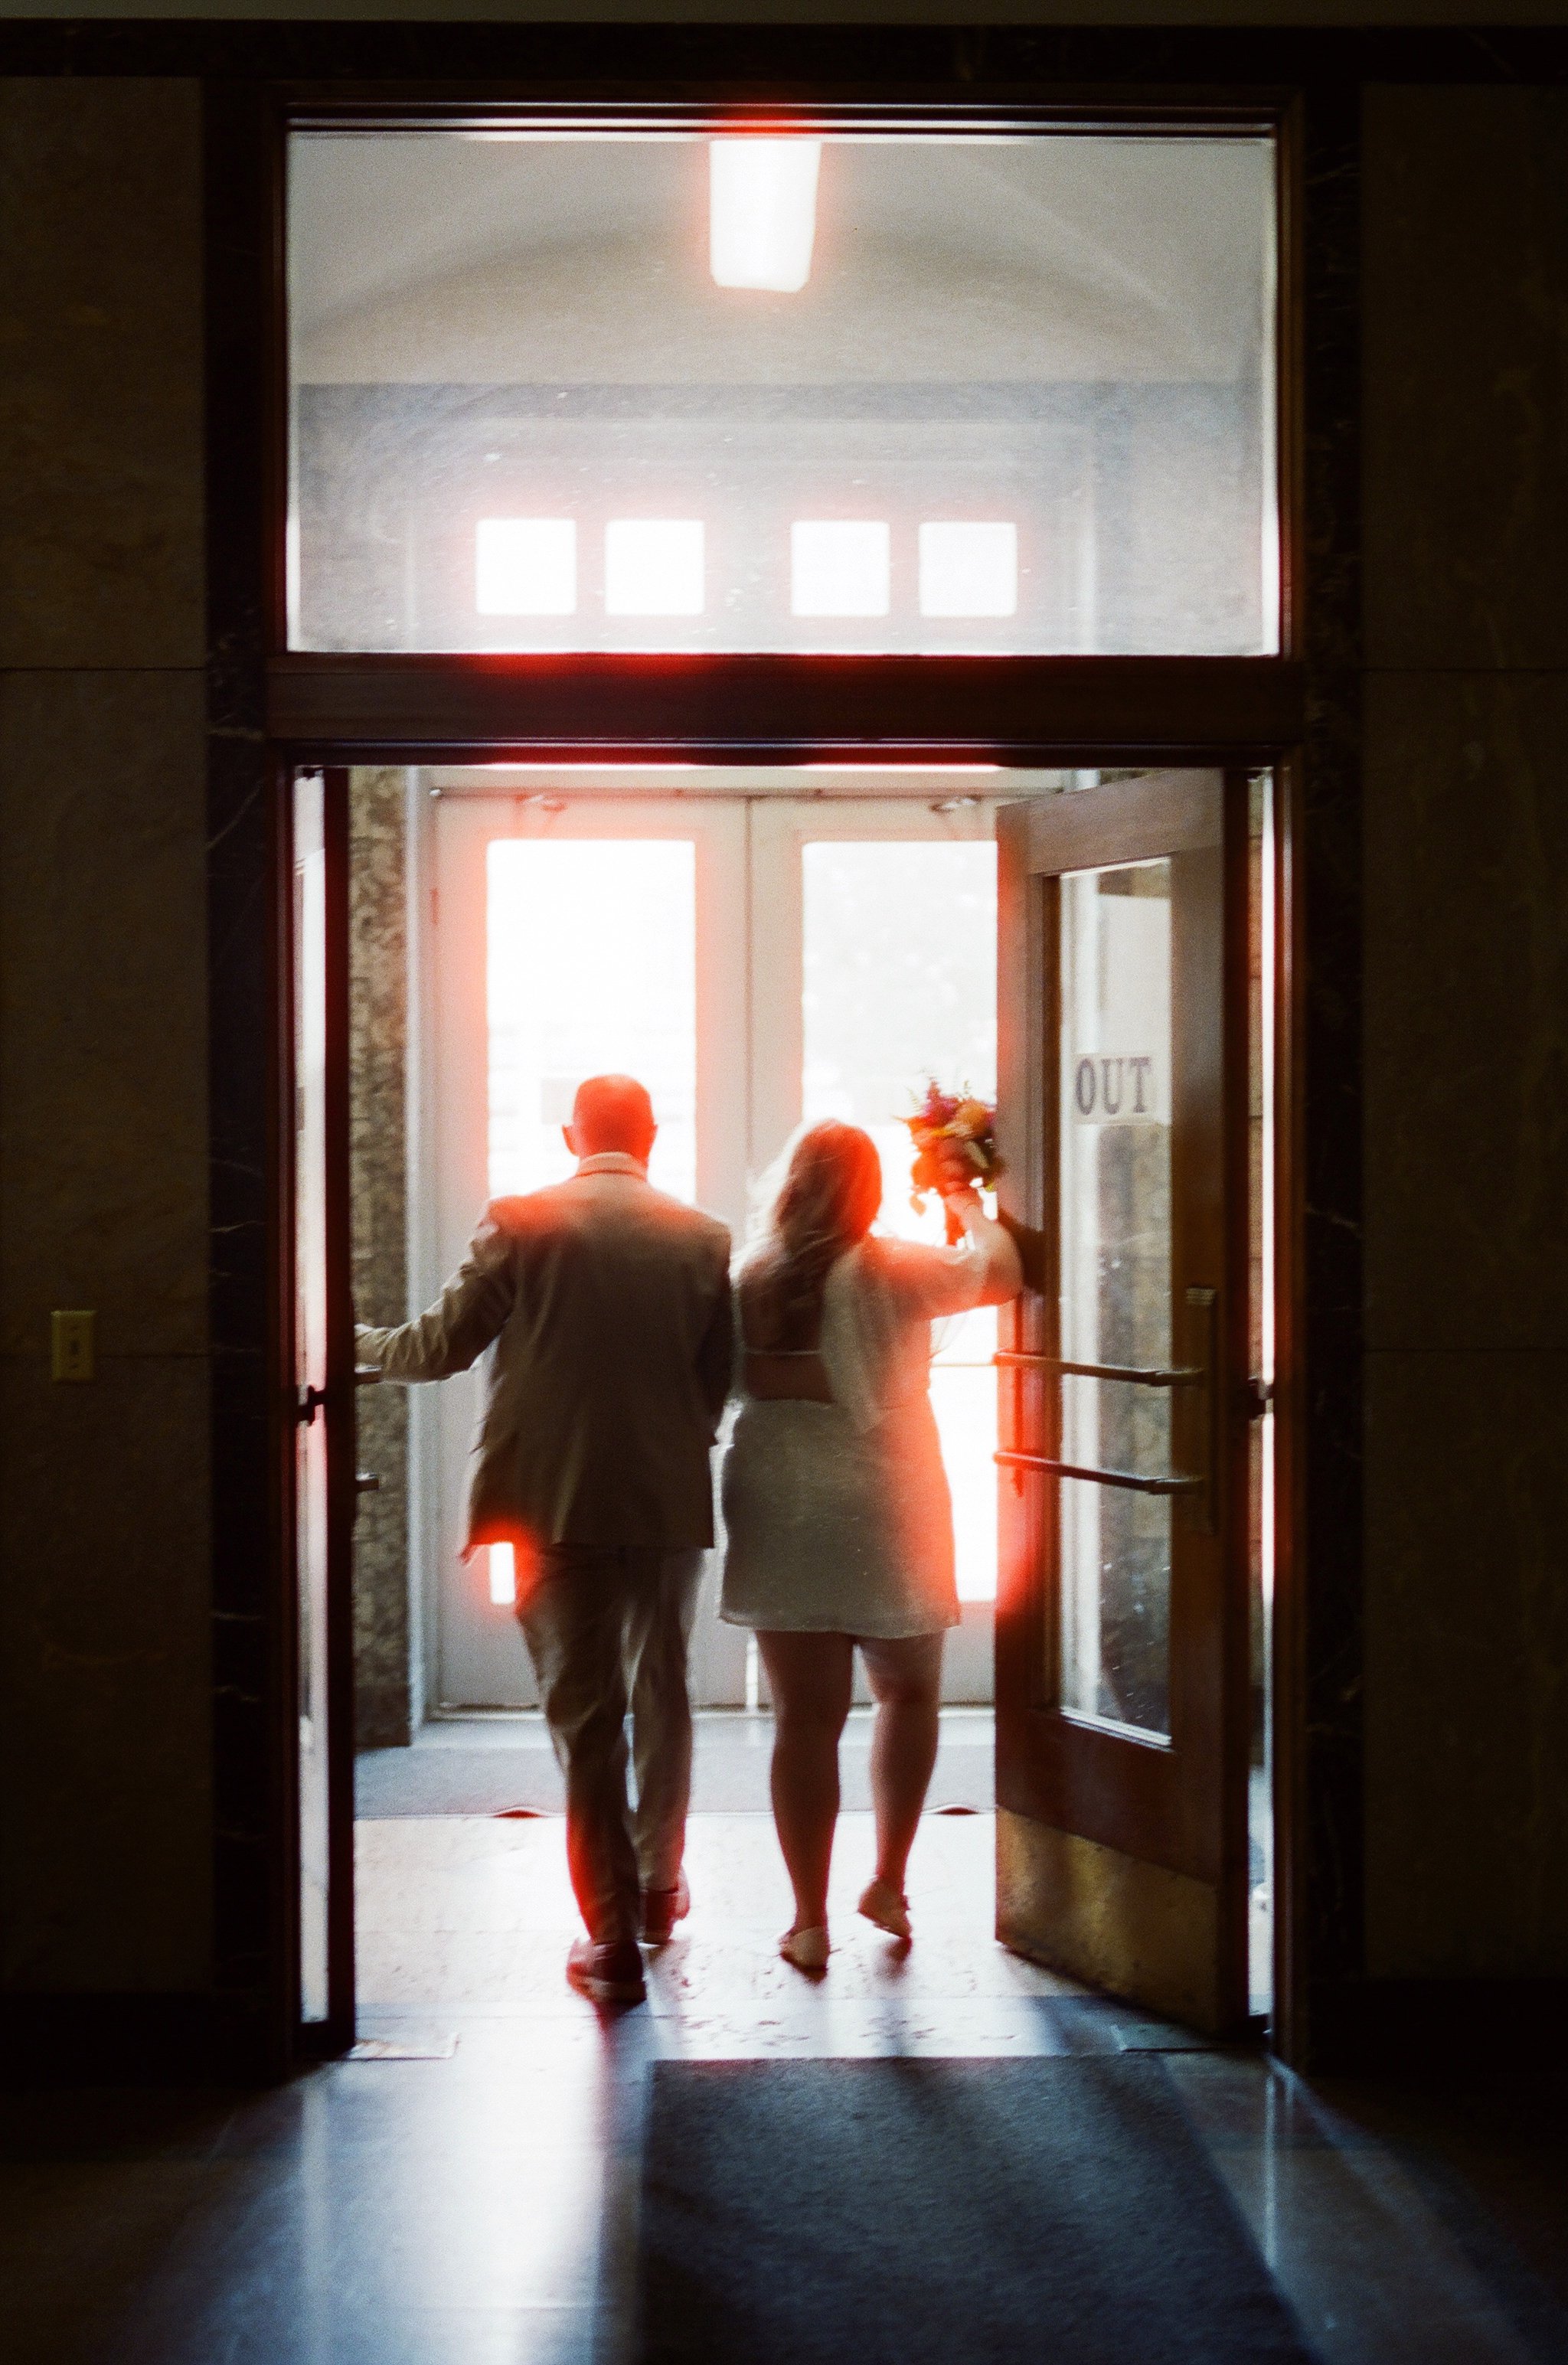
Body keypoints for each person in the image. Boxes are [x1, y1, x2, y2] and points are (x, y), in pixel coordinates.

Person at [355, 1075, 732, 2007]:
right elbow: (717, 1377)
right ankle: (657, 1887)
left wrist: (340, 1340)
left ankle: (609, 1940)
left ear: (572, 1134)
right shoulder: (701, 1236)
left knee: (585, 1714)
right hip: (664, 1496)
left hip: (550, 1499)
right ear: (651, 1132)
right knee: (664, 1685)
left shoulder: (521, 1220)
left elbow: (438, 1347)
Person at [720, 1120, 1022, 1971]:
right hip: (882, 1493)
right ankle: (886, 1879)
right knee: (906, 1693)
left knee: (802, 1719)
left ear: (789, 1185)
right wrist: (964, 1193)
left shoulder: (748, 1273)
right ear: (867, 1189)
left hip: (775, 1492)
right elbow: (997, 1271)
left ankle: (806, 1918)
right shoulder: (889, 1264)